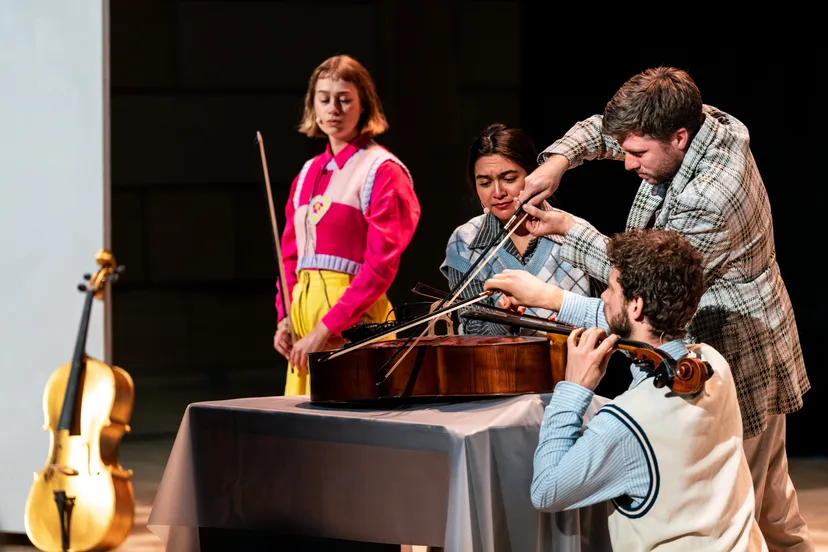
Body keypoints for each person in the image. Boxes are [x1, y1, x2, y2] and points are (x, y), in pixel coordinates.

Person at [514, 66, 812, 550]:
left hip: (738, 347)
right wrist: (559, 161)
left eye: (637, 154)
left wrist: (566, 234)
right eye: (626, 150)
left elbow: (645, 281)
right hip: (710, 340)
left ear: (679, 138)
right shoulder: (698, 120)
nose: (627, 163)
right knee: (771, 509)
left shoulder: (710, 196)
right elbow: (609, 131)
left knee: (751, 512)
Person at [485, 229, 768, 551]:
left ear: (636, 305)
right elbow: (634, 331)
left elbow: (547, 491)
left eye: (610, 288)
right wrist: (550, 298)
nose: (604, 297)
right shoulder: (713, 363)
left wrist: (573, 388)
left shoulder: (626, 421)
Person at [273, 55, 420, 396]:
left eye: (344, 99)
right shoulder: (307, 173)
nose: (333, 109)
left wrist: (326, 328)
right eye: (324, 99)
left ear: (363, 104)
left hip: (354, 324)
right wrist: (285, 318)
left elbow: (380, 267)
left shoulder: (382, 170)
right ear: (313, 105)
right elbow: (290, 258)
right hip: (305, 330)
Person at [440, 123, 594, 336]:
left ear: (534, 176)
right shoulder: (465, 240)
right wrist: (504, 320)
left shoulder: (576, 231)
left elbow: (608, 315)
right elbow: (471, 329)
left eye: (509, 179)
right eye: (485, 183)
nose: (497, 192)